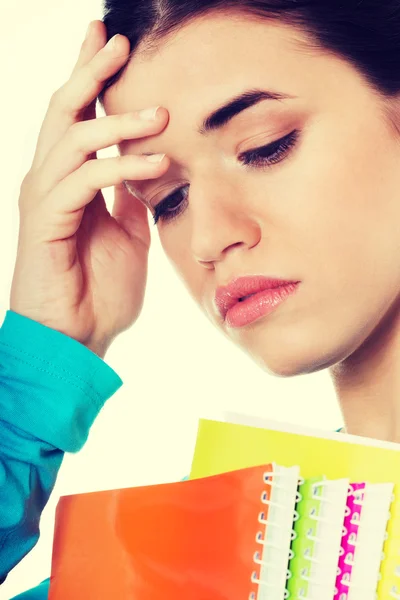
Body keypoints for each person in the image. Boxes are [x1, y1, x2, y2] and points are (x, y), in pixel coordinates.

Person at [2, 1, 400, 597]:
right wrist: (45, 355)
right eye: (168, 200)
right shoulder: (178, 569)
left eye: (265, 147)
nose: (209, 239)